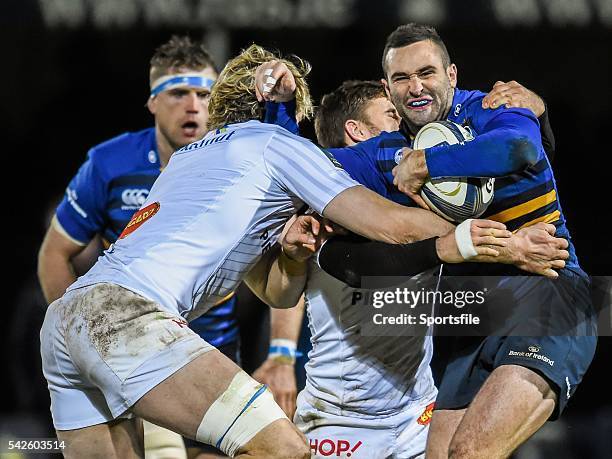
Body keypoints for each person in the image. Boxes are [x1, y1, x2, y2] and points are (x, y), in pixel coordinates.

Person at [39, 43, 534, 459]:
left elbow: (271, 290)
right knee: (284, 450)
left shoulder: (192, 161)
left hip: (66, 320)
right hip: (127, 318)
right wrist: (500, 236)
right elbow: (393, 227)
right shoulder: (275, 145)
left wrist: (293, 256)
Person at [255, 74, 564, 458]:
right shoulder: (323, 212)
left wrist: (537, 112)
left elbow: (514, 174)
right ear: (356, 132)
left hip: (417, 414)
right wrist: (502, 246)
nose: (404, 128)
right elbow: (375, 259)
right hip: (342, 423)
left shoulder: (408, 195)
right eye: (390, 116)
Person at [36, 35, 293, 459]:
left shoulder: (248, 160)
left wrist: (282, 353)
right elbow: (54, 253)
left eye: (204, 93)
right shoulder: (111, 163)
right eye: (177, 93)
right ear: (152, 102)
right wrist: (86, 347)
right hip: (127, 351)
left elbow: (284, 259)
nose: (193, 105)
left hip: (212, 350)